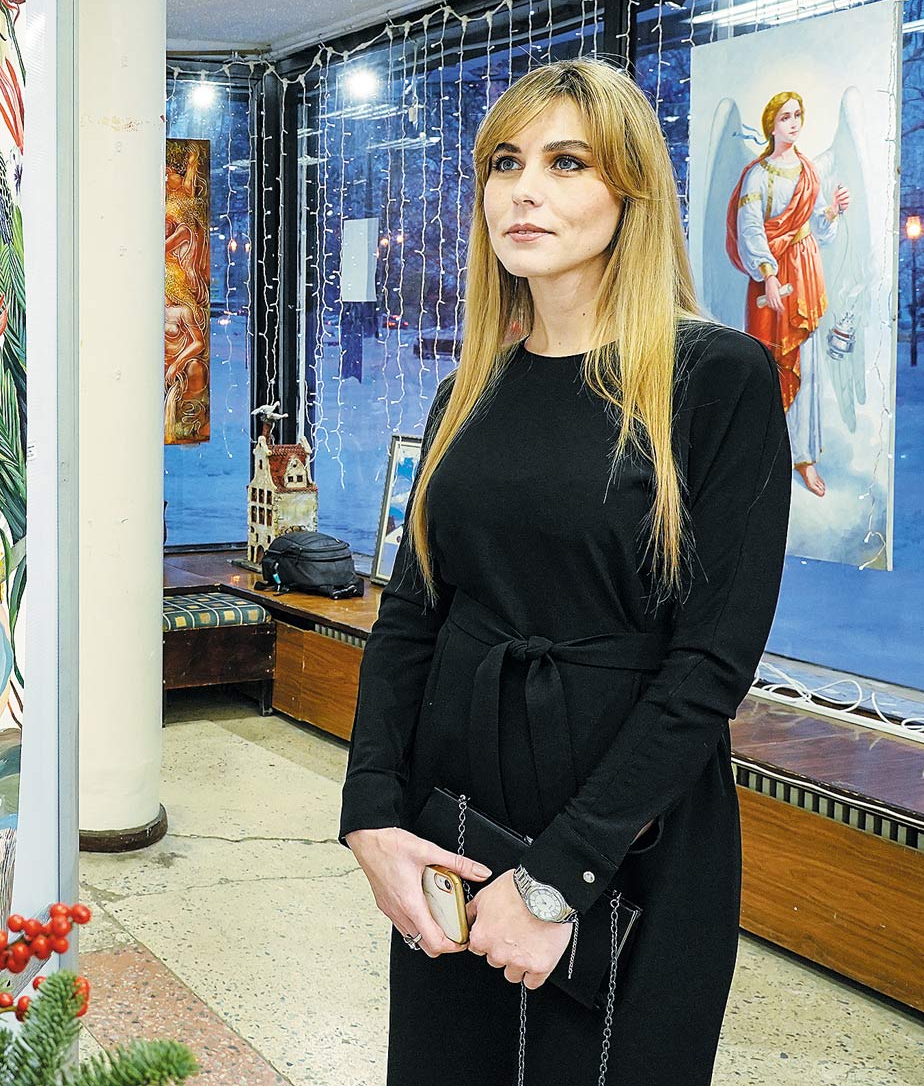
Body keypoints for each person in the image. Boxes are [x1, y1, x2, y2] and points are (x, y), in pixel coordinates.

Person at [338, 58, 792, 1085]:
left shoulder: (716, 378)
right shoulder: (470, 388)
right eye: (504, 163)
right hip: (452, 824)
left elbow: (710, 663)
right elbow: (411, 615)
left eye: (565, 162)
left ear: (630, 193)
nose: (523, 190)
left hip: (629, 834)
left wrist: (554, 881)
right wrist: (371, 814)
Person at [726, 89, 853, 497]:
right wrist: (767, 274)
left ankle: (804, 457)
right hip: (772, 279)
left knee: (808, 367)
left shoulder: (809, 172)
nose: (793, 123)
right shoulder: (758, 175)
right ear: (771, 125)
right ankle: (767, 454)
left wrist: (832, 211)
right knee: (771, 364)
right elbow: (749, 229)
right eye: (785, 117)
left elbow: (821, 230)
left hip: (805, 274)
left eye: (798, 115)